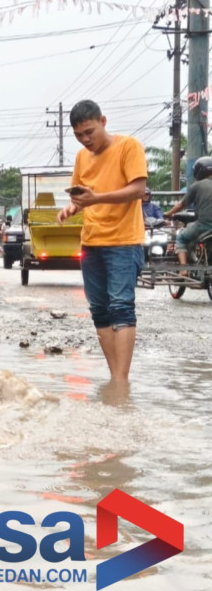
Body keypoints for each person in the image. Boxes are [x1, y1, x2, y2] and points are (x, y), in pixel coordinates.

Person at [57, 99, 147, 383]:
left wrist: (97, 198)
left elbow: (138, 190)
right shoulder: (82, 158)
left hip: (123, 241)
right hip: (91, 242)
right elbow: (82, 198)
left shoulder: (128, 147)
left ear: (103, 121)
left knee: (121, 307)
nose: (85, 140)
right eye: (79, 135)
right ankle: (116, 378)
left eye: (89, 132)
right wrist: (72, 208)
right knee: (99, 310)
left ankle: (121, 381)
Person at [163, 156, 212, 271]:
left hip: (204, 225)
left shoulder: (197, 185)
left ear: (199, 171)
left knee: (181, 238)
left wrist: (168, 213)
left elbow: (181, 205)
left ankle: (184, 269)